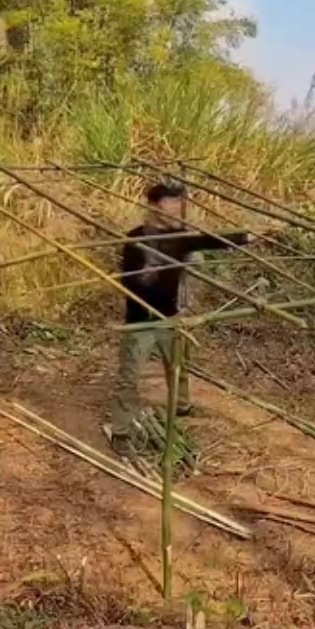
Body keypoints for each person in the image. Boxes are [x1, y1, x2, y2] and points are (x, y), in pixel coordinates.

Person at [109, 180, 253, 453]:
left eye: (178, 202)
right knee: (129, 376)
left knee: (177, 366)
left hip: (170, 316)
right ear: (154, 206)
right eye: (170, 201)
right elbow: (127, 281)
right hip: (141, 320)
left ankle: (182, 407)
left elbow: (211, 240)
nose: (176, 207)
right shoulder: (136, 238)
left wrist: (246, 237)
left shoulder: (181, 237)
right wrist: (147, 276)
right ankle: (121, 431)